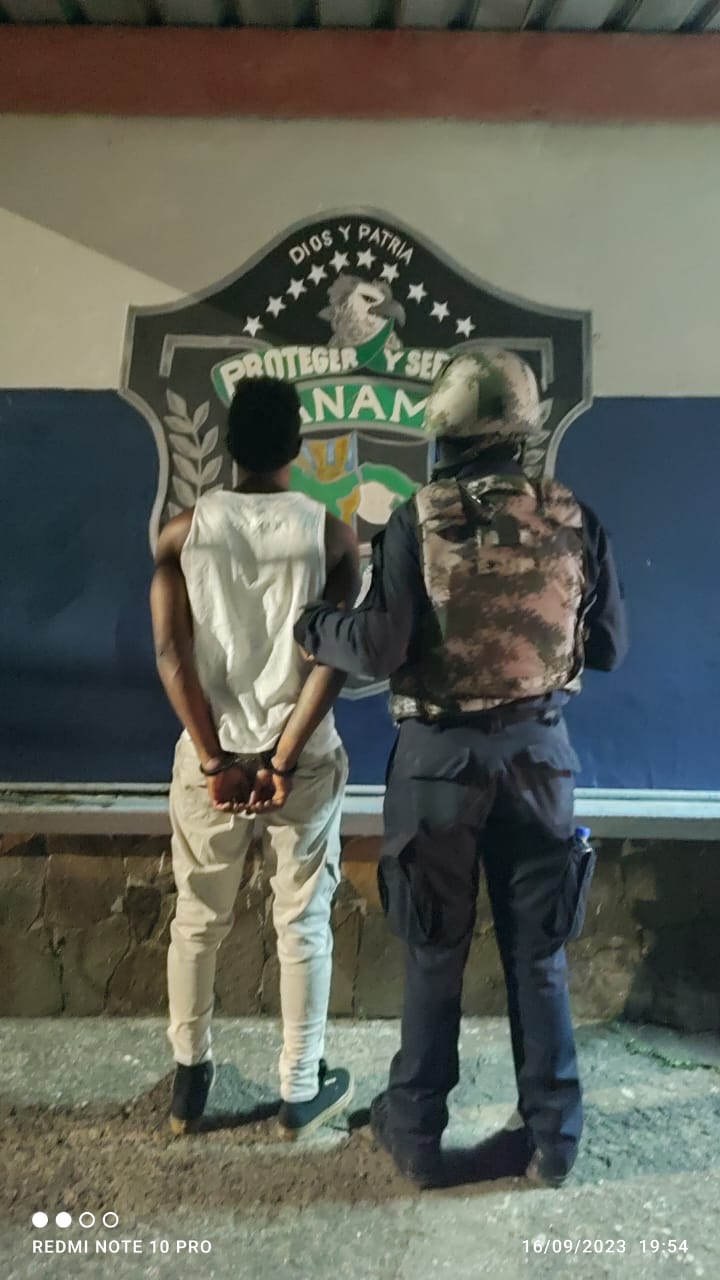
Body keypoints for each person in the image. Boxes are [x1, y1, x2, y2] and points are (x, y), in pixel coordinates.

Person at [294, 349, 628, 1188]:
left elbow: (381, 646)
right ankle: (553, 1140)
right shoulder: (576, 517)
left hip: (440, 766)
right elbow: (609, 648)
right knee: (539, 959)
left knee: (434, 954)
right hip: (542, 760)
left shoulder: (422, 516)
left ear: (445, 431)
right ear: (523, 430)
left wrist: (314, 626)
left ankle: (414, 1134)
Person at [150, 376, 360, 1139]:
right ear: (297, 445)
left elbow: (171, 653)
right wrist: (282, 758)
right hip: (299, 761)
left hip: (210, 761)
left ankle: (189, 1083)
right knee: (302, 923)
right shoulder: (331, 536)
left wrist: (216, 761)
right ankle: (300, 1090)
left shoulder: (181, 533)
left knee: (197, 919)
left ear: (229, 445)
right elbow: (332, 659)